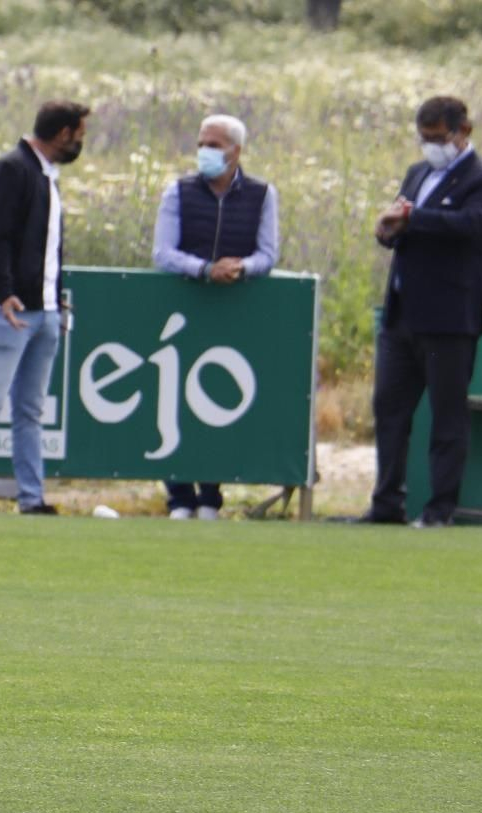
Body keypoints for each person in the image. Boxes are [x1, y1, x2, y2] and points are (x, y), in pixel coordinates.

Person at [359, 95, 482, 527]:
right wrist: (388, 228)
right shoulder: (417, 172)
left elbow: (473, 226)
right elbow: (403, 227)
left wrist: (413, 218)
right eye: (423, 138)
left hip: (448, 319)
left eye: (438, 138)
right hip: (402, 313)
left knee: (447, 416)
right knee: (389, 410)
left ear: (464, 132)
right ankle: (386, 503)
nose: (430, 146)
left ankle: (439, 509)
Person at [0, 100, 90, 515]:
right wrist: (4, 291)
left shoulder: (46, 175)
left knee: (30, 409)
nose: (81, 144)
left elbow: (46, 249)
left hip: (43, 310)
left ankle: (31, 496)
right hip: (7, 310)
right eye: (79, 136)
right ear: (63, 134)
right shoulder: (11, 169)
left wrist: (54, 297)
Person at [150, 114, 280, 519]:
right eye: (202, 142)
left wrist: (240, 268)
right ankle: (179, 496)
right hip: (181, 310)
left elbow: (268, 253)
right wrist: (206, 270)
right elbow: (163, 253)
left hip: (232, 312)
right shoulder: (179, 191)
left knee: (217, 397)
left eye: (215, 144)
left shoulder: (262, 194)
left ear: (236, 151)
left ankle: (210, 494)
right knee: (172, 400)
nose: (205, 150)